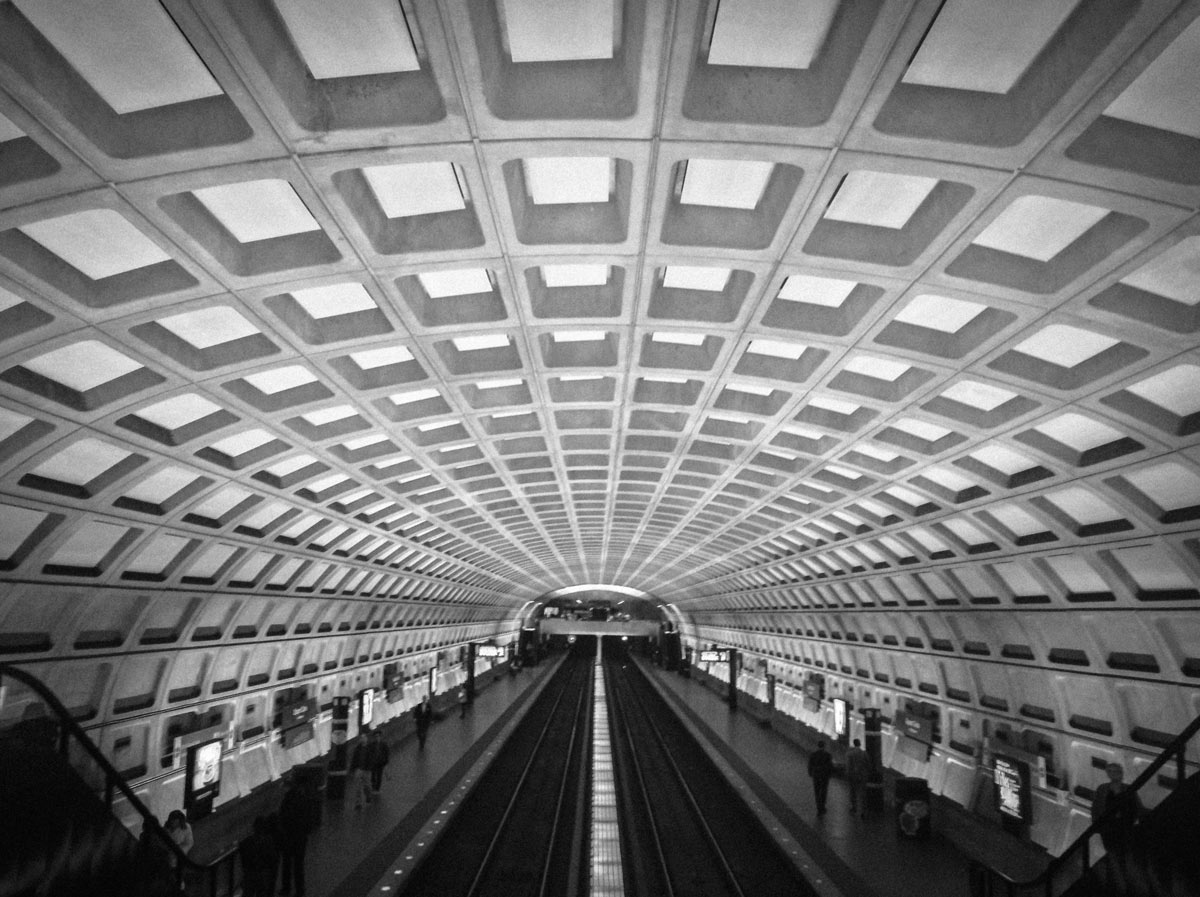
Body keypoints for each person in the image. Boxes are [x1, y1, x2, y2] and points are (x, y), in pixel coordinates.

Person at [1092, 762, 1142, 879]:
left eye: (1117, 772)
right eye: (1111, 771)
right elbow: (1096, 808)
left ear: (1122, 773)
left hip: (1125, 827)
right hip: (1109, 829)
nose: (1114, 774)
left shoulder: (1129, 789)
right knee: (1112, 855)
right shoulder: (1102, 789)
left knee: (1125, 855)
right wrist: (1097, 825)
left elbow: (1137, 807)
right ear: (1108, 774)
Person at [278, 776, 319, 897]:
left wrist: (283, 832)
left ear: (287, 787)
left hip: (289, 837)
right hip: (301, 837)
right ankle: (300, 890)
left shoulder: (288, 800)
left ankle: (286, 888)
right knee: (298, 865)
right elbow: (309, 818)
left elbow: (283, 817)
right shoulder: (304, 799)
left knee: (287, 864)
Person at [239, 815, 278, 897]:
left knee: (248, 893)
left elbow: (243, 859)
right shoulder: (268, 841)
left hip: (250, 873)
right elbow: (272, 859)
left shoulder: (246, 842)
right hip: (262, 874)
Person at [807, 740, 834, 816]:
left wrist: (810, 772)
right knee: (824, 791)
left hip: (816, 775)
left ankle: (818, 807)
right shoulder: (828, 755)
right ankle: (823, 806)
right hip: (825, 775)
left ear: (818, 746)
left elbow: (810, 764)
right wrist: (830, 774)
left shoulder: (813, 754)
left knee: (817, 791)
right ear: (824, 746)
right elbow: (830, 766)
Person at [845, 738, 870, 817]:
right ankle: (863, 810)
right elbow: (868, 765)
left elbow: (848, 766)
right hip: (862, 776)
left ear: (854, 744)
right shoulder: (864, 753)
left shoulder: (849, 754)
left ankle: (854, 807)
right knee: (863, 793)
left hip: (852, 775)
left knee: (853, 792)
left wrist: (848, 774)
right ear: (860, 744)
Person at [350, 732, 373, 809]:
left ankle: (368, 796)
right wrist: (352, 769)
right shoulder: (358, 748)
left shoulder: (370, 748)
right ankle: (358, 803)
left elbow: (372, 759)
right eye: (361, 738)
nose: (362, 739)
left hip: (366, 770)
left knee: (367, 786)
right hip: (358, 769)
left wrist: (370, 767)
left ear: (366, 738)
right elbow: (354, 759)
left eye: (364, 737)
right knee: (357, 787)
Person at [367, 729, 390, 795]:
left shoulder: (384, 744)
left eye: (378, 736)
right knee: (373, 775)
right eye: (376, 736)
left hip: (380, 762)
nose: (377, 738)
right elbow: (369, 753)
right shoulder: (372, 745)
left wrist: (386, 762)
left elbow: (387, 753)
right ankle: (374, 787)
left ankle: (377, 788)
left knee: (379, 775)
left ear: (380, 737)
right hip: (374, 762)